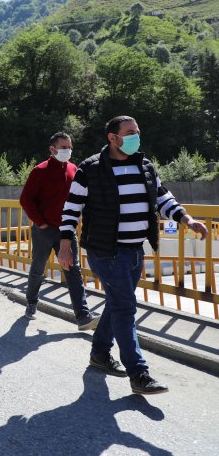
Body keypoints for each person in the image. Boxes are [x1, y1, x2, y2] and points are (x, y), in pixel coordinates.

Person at [58, 116, 208, 395]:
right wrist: (65, 245)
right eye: (129, 132)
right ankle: (138, 373)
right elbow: (71, 208)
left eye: (137, 131)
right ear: (112, 137)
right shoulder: (90, 169)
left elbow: (162, 198)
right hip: (106, 251)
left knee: (117, 304)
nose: (135, 136)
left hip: (136, 249)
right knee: (125, 308)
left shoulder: (144, 165)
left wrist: (187, 219)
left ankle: (99, 353)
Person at [19, 132, 99, 330]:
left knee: (73, 271)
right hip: (44, 230)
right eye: (64, 147)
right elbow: (26, 199)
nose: (68, 151)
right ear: (52, 149)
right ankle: (31, 302)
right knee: (38, 268)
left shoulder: (74, 169)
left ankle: (83, 317)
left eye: (69, 147)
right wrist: (41, 223)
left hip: (67, 231)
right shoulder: (40, 171)